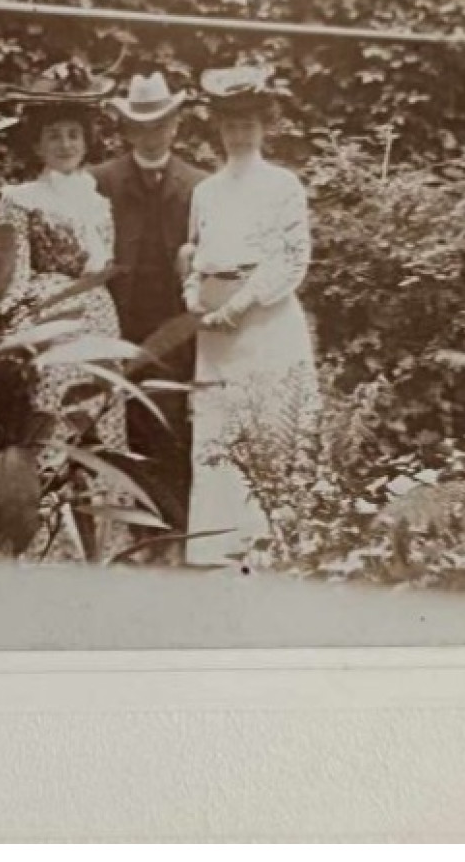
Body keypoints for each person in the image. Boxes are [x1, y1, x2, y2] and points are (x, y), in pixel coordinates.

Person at [181, 65, 321, 570]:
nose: (238, 134)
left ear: (265, 127)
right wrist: (193, 292)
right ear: (218, 129)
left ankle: (269, 542)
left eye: (248, 124)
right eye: (229, 125)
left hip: (263, 318)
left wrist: (239, 305)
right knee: (217, 425)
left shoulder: (284, 186)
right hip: (215, 328)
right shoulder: (206, 191)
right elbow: (195, 252)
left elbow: (291, 260)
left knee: (267, 421)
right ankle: (216, 546)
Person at [0, 74, 133, 562]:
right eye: (54, 135)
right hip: (50, 321)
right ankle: (51, 549)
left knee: (103, 428)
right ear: (37, 143)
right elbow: (13, 273)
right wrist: (21, 331)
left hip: (99, 318)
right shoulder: (20, 198)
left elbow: (106, 263)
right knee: (51, 430)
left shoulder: (99, 199)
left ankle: (113, 546)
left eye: (73, 134)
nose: (65, 144)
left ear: (86, 139)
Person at [91, 72, 207, 549]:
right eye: (142, 125)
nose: (152, 133)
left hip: (176, 331)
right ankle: (129, 533)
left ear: (176, 126)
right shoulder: (100, 181)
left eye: (161, 123)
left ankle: (173, 533)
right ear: (127, 131)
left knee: (172, 423)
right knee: (118, 427)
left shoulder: (200, 185)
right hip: (116, 321)